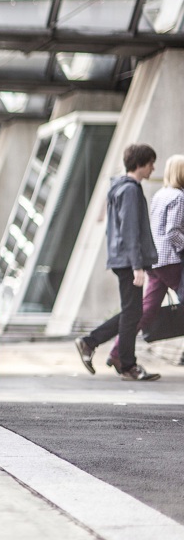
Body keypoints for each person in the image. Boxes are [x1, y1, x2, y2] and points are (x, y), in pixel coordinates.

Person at [74, 143, 161, 381]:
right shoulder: (130, 190)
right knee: (133, 313)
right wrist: (137, 265)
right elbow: (130, 230)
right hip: (128, 260)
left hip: (121, 257)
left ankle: (93, 344)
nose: (153, 168)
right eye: (151, 163)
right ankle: (126, 364)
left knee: (131, 312)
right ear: (141, 164)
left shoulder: (119, 187)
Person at [103, 153, 184, 367]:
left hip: (155, 261)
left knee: (145, 310)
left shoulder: (161, 194)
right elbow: (172, 232)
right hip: (171, 260)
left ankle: (117, 352)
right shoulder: (179, 197)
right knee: (143, 308)